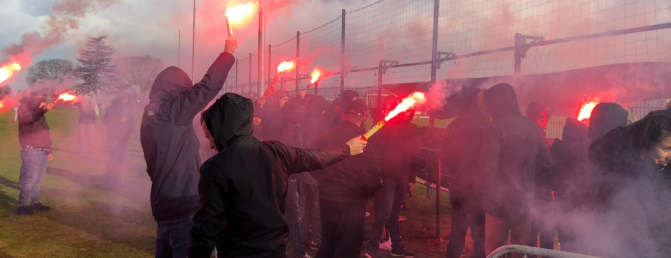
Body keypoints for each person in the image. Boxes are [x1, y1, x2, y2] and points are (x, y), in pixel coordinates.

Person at [188, 93, 368, 258]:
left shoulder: (214, 168)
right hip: (275, 252)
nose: (210, 145)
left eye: (209, 137)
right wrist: (346, 149)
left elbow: (205, 230)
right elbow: (315, 156)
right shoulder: (276, 152)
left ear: (222, 129)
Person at [141, 37, 237, 258]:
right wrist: (227, 54)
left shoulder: (151, 116)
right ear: (177, 90)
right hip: (184, 206)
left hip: (163, 206)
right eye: (185, 89)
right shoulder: (172, 112)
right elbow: (207, 88)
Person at [579, 111, 671, 258]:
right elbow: (633, 221)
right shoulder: (619, 167)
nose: (669, 157)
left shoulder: (652, 163)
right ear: (648, 141)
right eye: (666, 149)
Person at [480, 83, 552, 257]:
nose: (487, 109)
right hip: (524, 201)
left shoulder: (494, 128)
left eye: (488, 104)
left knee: (494, 251)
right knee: (520, 250)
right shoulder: (532, 127)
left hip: (498, 202)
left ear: (495, 103)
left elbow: (488, 168)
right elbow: (546, 162)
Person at [314, 100, 381, 258]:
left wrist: (325, 184)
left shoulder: (324, 137)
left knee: (328, 241)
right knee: (348, 246)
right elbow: (370, 176)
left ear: (344, 114)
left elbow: (314, 165)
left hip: (327, 198)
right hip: (352, 202)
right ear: (363, 117)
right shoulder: (364, 143)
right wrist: (372, 189)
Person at [366, 97, 418, 258]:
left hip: (401, 177)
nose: (407, 112)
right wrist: (378, 173)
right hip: (387, 176)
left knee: (394, 213)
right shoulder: (384, 126)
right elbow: (373, 150)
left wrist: (411, 178)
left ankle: (396, 246)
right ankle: (372, 246)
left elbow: (414, 154)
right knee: (385, 212)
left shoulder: (412, 128)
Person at [443, 89, 488, 258]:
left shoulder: (454, 124)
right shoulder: (483, 126)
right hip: (476, 188)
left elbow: (445, 155)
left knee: (457, 232)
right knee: (480, 236)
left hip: (457, 186)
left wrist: (456, 173)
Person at [549, 118, 589, 252]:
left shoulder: (556, 148)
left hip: (561, 205)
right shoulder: (579, 150)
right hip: (578, 207)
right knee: (578, 245)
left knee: (566, 244)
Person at [17, 92, 55, 215]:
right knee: (30, 180)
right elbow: (32, 117)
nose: (44, 103)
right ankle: (22, 206)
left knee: (38, 180)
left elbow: (45, 132)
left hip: (42, 151)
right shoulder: (26, 114)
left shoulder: (40, 116)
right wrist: (43, 109)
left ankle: (35, 202)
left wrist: (48, 150)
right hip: (31, 151)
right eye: (41, 102)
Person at [525, 102, 555, 252]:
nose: (545, 119)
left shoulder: (540, 135)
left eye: (546, 116)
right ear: (532, 117)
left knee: (543, 229)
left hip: (541, 189)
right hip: (537, 190)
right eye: (540, 116)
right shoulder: (533, 136)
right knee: (539, 229)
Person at [103, 93, 134, 189]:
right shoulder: (111, 109)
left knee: (120, 159)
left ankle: (117, 179)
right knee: (113, 159)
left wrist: (129, 131)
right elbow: (106, 121)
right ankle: (109, 180)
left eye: (127, 99)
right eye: (124, 99)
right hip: (113, 138)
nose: (126, 101)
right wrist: (118, 120)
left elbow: (131, 122)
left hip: (123, 139)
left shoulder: (128, 109)